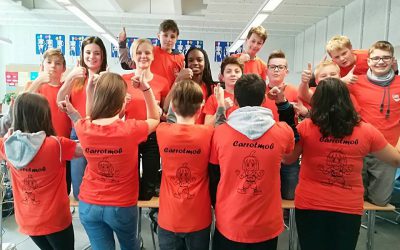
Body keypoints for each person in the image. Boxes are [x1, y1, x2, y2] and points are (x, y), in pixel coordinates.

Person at [281, 77, 400, 250]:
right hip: (347, 208)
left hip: (310, 204)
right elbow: (396, 159)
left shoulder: (306, 127)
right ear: (347, 99)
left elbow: (288, 159)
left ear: (317, 101)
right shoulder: (366, 130)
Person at [61, 71, 160, 250]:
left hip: (89, 204)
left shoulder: (84, 128)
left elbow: (88, 117)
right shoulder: (131, 129)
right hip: (121, 206)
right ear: (122, 101)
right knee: (130, 246)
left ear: (98, 99)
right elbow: (154, 118)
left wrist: (90, 89)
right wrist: (145, 88)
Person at [209, 74, 294, 250]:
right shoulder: (282, 132)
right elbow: (293, 139)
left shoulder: (219, 133)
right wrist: (282, 103)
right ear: (264, 99)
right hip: (266, 224)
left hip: (230, 220)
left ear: (236, 100)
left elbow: (214, 176)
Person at [0, 92, 82, 250]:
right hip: (56, 220)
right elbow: (92, 145)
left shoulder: (7, 145)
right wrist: (75, 116)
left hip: (27, 219)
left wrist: (9, 124)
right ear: (44, 115)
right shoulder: (56, 145)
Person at [156, 80, 214, 250]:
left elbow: (159, 118)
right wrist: (221, 109)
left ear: (173, 107)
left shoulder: (162, 131)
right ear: (201, 108)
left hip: (169, 218)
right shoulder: (208, 133)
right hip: (199, 218)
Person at [347, 41, 400, 206]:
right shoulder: (355, 82)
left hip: (388, 149)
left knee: (380, 201)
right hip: (360, 148)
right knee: (355, 198)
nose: (380, 61)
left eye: (386, 58)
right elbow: (328, 92)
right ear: (368, 61)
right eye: (376, 58)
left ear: (393, 60)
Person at [57, 36, 107, 200]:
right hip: (77, 134)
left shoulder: (107, 79)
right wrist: (71, 77)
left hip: (100, 135)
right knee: (78, 188)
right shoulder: (76, 78)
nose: (92, 56)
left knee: (101, 183)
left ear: (103, 56)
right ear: (82, 55)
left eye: (96, 53)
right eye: (88, 52)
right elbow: (60, 100)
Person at [121, 38, 169, 200]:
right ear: (133, 57)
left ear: (153, 56)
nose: (143, 56)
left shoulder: (162, 82)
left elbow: (165, 115)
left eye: (147, 52)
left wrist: (160, 110)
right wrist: (122, 105)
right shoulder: (123, 80)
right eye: (139, 53)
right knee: (129, 184)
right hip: (130, 133)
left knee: (148, 188)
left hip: (152, 135)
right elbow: (117, 114)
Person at [26, 48, 73, 194]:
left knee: (64, 186)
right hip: (41, 146)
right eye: (49, 62)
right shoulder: (33, 86)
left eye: (58, 63)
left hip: (63, 145)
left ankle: (63, 213)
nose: (53, 66)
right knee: (44, 188)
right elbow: (22, 104)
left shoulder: (68, 89)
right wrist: (38, 80)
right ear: (42, 66)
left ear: (63, 68)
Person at [119, 20, 185, 89]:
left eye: (172, 37)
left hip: (171, 96)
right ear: (158, 36)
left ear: (177, 38)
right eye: (165, 35)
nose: (169, 39)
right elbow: (126, 64)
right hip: (151, 93)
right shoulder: (150, 52)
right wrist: (122, 44)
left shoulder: (180, 58)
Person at [171, 47, 216, 124]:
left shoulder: (213, 89)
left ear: (205, 63)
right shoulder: (181, 86)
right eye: (191, 60)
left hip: (205, 133)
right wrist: (178, 78)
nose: (195, 63)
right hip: (184, 132)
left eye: (199, 60)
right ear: (186, 64)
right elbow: (166, 107)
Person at [203, 56, 243, 126]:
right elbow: (207, 125)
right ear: (222, 77)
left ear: (242, 75)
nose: (233, 74)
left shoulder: (247, 96)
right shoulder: (214, 98)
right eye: (228, 71)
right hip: (220, 136)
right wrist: (222, 108)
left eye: (237, 71)